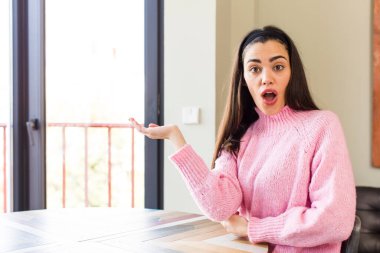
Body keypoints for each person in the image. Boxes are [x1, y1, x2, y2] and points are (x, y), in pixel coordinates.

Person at [129, 26, 356, 253]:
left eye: (278, 67)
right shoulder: (240, 134)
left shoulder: (322, 125)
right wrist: (176, 139)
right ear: (244, 78)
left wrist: (254, 228)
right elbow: (220, 208)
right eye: (255, 69)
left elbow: (336, 221)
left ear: (292, 73)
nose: (266, 78)